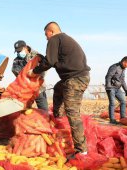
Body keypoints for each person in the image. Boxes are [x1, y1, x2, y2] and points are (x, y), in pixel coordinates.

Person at [27, 22, 90, 157]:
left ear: (51, 31)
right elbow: (55, 60)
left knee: (72, 112)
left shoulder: (55, 39)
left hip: (75, 79)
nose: (46, 38)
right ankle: (58, 118)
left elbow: (50, 61)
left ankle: (81, 150)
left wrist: (34, 71)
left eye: (46, 34)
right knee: (58, 88)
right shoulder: (65, 40)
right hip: (73, 78)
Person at [12, 40, 48, 111]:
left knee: (44, 110)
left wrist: (35, 75)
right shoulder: (17, 60)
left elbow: (45, 67)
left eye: (20, 51)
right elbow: (16, 72)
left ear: (25, 48)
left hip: (39, 88)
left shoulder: (36, 55)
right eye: (17, 52)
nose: (19, 53)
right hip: (26, 90)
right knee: (25, 110)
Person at [105, 56, 127, 124]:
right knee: (112, 103)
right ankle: (112, 119)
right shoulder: (115, 67)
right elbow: (108, 76)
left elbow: (122, 80)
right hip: (111, 88)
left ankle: (123, 117)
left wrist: (126, 90)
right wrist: (108, 87)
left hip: (117, 88)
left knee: (123, 101)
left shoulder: (123, 69)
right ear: (124, 62)